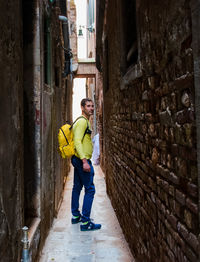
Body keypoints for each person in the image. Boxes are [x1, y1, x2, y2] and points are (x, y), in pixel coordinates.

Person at [71, 98, 101, 231]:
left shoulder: (83, 121)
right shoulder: (82, 122)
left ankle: (76, 216)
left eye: (92, 106)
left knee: (77, 187)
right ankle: (85, 222)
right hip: (81, 160)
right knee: (90, 189)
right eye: (88, 106)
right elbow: (77, 142)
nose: (91, 108)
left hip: (78, 159)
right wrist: (84, 161)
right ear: (82, 107)